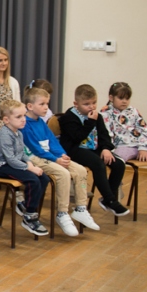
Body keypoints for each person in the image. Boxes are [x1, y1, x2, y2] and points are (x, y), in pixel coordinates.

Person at [20, 87, 92, 235]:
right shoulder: (24, 124)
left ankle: (81, 208)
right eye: (42, 104)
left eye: (47, 103)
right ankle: (62, 213)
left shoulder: (41, 122)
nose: (46, 107)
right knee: (63, 174)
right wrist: (56, 159)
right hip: (36, 159)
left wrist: (62, 155)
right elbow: (35, 149)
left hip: (51, 157)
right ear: (30, 106)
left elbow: (52, 141)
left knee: (81, 170)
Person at [58, 84, 129, 217]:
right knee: (98, 163)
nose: (91, 107)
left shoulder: (97, 116)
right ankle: (110, 200)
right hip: (75, 150)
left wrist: (106, 149)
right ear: (76, 104)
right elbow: (77, 137)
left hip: (93, 149)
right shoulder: (68, 118)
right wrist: (90, 122)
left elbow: (104, 135)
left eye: (94, 103)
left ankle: (108, 198)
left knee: (118, 164)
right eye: (86, 104)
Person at [102, 82, 147, 206]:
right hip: (122, 146)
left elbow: (144, 129)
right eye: (121, 98)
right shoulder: (105, 113)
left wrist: (143, 147)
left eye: (127, 98)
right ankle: (117, 187)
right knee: (118, 162)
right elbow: (106, 134)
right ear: (111, 97)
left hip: (143, 146)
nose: (124, 101)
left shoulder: (133, 111)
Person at [0, 100, 51, 236]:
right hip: (1, 166)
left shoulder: (18, 132)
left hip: (14, 163)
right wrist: (29, 168)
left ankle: (25, 205)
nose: (24, 119)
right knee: (33, 180)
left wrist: (29, 163)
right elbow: (10, 159)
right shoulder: (5, 135)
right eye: (19, 117)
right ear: (6, 120)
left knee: (44, 178)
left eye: (24, 115)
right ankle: (29, 216)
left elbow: (22, 153)